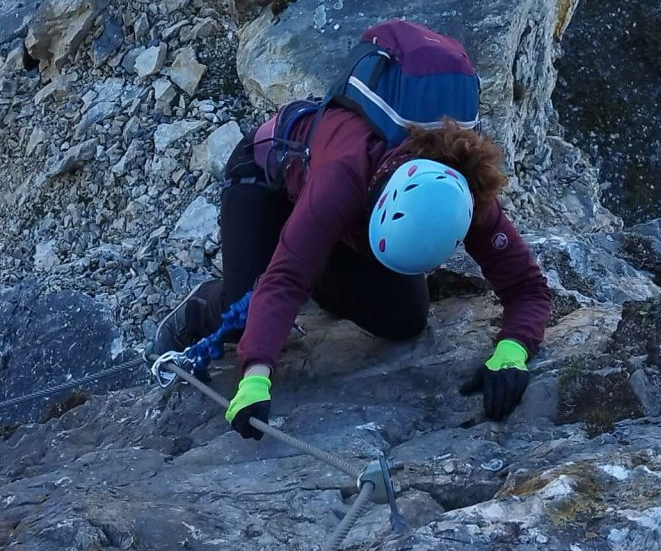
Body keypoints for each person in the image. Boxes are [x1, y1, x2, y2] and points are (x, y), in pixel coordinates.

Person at [158, 54, 552, 439]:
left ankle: (318, 258)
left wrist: (513, 351)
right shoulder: (341, 179)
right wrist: (255, 376)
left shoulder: (467, 194)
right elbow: (285, 279)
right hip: (267, 179)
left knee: (404, 320)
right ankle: (196, 312)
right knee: (244, 309)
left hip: (343, 217)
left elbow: (527, 288)